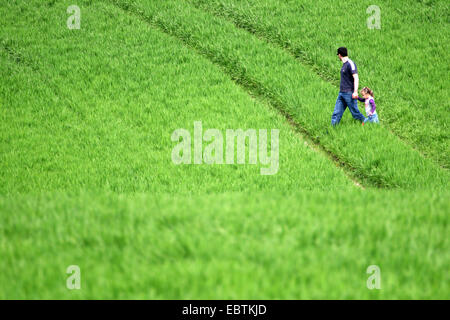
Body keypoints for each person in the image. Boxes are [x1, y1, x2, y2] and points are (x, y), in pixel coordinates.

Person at [331, 47, 366, 125]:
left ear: (339, 55)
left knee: (355, 113)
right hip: (341, 93)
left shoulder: (351, 64)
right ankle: (332, 129)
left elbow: (356, 78)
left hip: (349, 94)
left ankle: (367, 123)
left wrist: (355, 92)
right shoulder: (344, 64)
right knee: (336, 113)